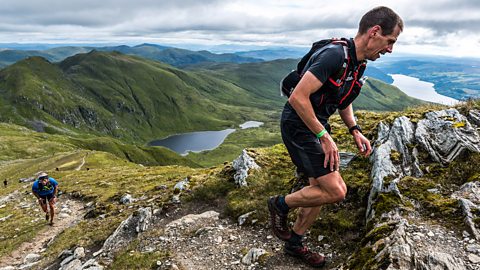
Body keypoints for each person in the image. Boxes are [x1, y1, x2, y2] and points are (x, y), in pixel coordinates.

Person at [268, 6, 403, 267]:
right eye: (390, 42)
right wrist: (323, 135)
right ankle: (279, 205)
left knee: (319, 188)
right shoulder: (333, 54)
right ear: (374, 32)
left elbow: (343, 100)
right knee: (336, 190)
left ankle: (295, 245)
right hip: (299, 124)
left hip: (316, 124)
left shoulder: (357, 62)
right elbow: (297, 97)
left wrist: (354, 130)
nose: (389, 50)